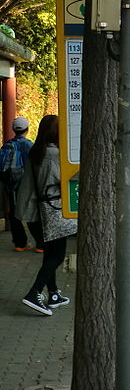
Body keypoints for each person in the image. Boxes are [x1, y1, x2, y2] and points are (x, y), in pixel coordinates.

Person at [17, 115, 76, 316]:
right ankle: (34, 293)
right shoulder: (54, 155)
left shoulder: (36, 151)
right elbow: (59, 182)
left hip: (34, 213)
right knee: (57, 255)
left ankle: (52, 294)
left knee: (50, 255)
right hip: (51, 213)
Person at [0, 117, 44, 252]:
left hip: (11, 185)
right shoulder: (30, 146)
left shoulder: (7, 145)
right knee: (31, 211)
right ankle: (40, 244)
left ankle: (20, 243)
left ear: (14, 129)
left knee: (14, 213)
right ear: (27, 129)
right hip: (27, 184)